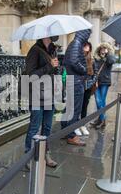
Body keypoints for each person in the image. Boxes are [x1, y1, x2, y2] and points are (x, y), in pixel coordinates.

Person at [23, 36, 59, 168]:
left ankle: (45, 153)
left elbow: (52, 72)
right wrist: (49, 66)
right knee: (34, 126)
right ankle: (28, 155)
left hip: (50, 94)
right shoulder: (35, 50)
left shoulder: (53, 50)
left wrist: (55, 68)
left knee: (47, 127)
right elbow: (31, 75)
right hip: (37, 95)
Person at [62, 29, 91, 146]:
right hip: (76, 81)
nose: (89, 37)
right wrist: (85, 70)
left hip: (73, 80)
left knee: (69, 107)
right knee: (74, 109)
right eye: (88, 34)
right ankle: (71, 136)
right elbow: (74, 61)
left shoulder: (75, 43)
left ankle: (65, 131)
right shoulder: (77, 43)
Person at [92, 43, 117, 130]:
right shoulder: (96, 58)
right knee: (98, 101)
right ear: (99, 49)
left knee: (101, 101)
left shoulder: (109, 58)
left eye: (105, 48)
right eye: (102, 48)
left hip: (105, 82)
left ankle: (102, 120)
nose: (103, 50)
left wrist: (108, 53)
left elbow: (112, 61)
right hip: (96, 82)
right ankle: (101, 119)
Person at [77, 41, 96, 136]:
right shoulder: (78, 58)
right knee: (78, 106)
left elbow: (95, 74)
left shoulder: (92, 59)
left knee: (84, 106)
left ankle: (82, 125)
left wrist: (90, 83)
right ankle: (76, 126)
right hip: (78, 85)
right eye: (85, 46)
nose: (86, 47)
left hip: (87, 86)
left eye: (88, 46)